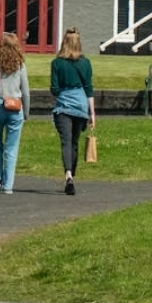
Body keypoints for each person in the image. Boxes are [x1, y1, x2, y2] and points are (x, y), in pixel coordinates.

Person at [50, 27, 94, 196]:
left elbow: (54, 89)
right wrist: (92, 113)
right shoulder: (85, 63)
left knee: (66, 142)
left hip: (63, 107)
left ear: (64, 42)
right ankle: (72, 175)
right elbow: (89, 89)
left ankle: (68, 174)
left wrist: (63, 91)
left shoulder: (57, 63)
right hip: (81, 107)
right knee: (75, 142)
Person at [0, 32, 30, 195]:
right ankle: (8, 185)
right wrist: (26, 113)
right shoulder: (20, 65)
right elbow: (25, 92)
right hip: (15, 107)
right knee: (11, 148)